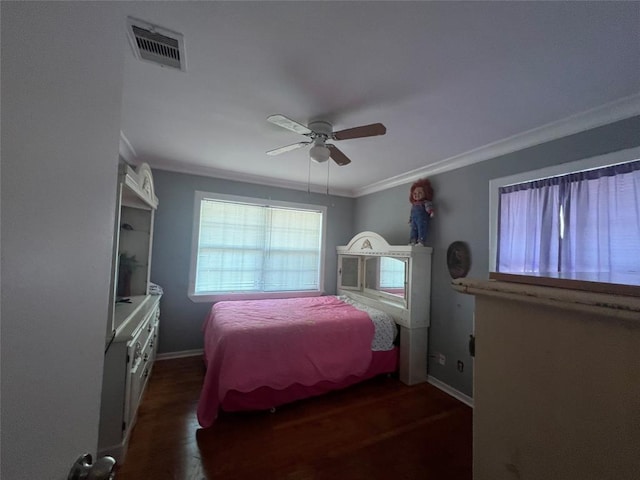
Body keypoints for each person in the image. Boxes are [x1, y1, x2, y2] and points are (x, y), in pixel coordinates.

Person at [409, 178, 434, 246]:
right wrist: (410, 220)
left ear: (425, 193)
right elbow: (412, 213)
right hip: (414, 220)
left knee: (421, 229)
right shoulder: (414, 205)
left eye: (420, 193)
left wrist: (430, 212)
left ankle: (421, 241)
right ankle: (413, 241)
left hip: (422, 219)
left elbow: (428, 207)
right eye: (415, 193)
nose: (417, 194)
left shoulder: (425, 202)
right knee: (413, 230)